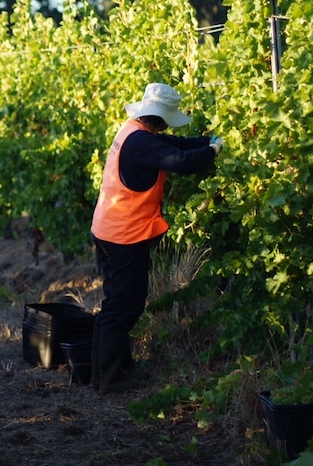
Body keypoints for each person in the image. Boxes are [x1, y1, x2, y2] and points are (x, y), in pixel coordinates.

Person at [89, 83, 223, 395]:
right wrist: (214, 150)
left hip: (108, 230)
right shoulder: (142, 143)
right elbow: (182, 161)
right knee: (125, 306)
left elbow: (178, 145)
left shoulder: (134, 131)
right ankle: (111, 378)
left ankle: (104, 374)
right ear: (159, 118)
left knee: (115, 304)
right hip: (124, 235)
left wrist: (206, 141)